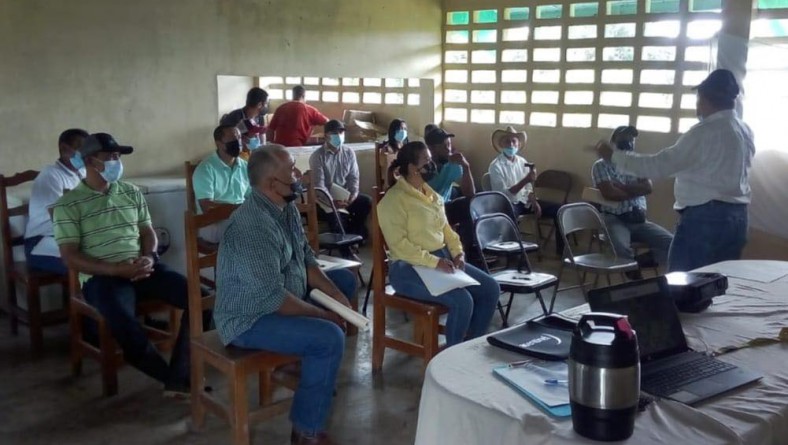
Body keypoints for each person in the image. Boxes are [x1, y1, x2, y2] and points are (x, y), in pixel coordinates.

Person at [214, 144, 356, 445]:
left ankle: (306, 364)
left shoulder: (286, 206)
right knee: (329, 336)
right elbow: (273, 299)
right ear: (270, 184)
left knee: (345, 281)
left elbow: (307, 261)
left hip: (281, 296)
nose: (298, 175)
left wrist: (340, 302)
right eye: (291, 170)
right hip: (250, 318)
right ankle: (306, 431)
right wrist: (326, 315)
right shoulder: (252, 226)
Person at [52, 133, 192, 397]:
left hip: (142, 268)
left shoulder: (130, 192)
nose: (117, 162)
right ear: (91, 161)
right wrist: (117, 270)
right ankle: (171, 379)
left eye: (119, 157)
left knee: (201, 300)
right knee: (124, 324)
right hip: (102, 276)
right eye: (111, 157)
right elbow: (69, 257)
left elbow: (148, 232)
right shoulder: (68, 205)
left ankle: (179, 375)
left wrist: (149, 257)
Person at [595, 69, 755, 272]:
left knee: (684, 283)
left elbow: (658, 166)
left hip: (705, 218)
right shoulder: (744, 130)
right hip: (737, 218)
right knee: (719, 280)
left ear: (704, 99)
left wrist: (613, 156)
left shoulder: (703, 133)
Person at [377, 141, 499, 347]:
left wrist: (458, 253)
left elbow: (447, 231)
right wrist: (435, 262)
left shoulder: (432, 195)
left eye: (430, 160)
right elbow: (399, 246)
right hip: (408, 268)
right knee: (463, 301)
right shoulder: (394, 200)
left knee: (490, 289)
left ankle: (468, 347)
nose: (431, 164)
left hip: (441, 260)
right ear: (411, 168)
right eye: (426, 161)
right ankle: (451, 358)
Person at [591, 125, 674, 278]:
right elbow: (610, 194)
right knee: (621, 250)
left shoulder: (635, 163)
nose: (629, 142)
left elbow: (648, 188)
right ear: (614, 141)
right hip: (615, 219)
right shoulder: (600, 165)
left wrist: (621, 187)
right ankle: (636, 280)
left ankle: (634, 264)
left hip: (638, 220)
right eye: (624, 139)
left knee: (672, 244)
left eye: (632, 139)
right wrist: (635, 190)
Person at [487, 126, 564, 256]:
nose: (511, 144)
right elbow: (504, 194)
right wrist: (526, 179)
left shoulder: (522, 162)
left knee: (561, 210)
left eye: (514, 141)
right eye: (507, 141)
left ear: (518, 144)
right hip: (509, 203)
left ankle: (561, 253)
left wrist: (534, 202)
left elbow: (528, 188)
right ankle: (514, 254)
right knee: (510, 216)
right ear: (501, 144)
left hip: (525, 202)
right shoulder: (496, 166)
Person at [24, 128, 88, 274]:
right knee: (87, 263)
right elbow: (60, 219)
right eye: (80, 148)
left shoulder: (82, 173)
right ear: (64, 148)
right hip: (41, 242)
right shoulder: (50, 175)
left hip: (71, 239)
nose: (85, 154)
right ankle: (82, 297)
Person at [309, 120, 371, 245]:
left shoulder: (349, 153)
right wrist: (332, 202)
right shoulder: (318, 156)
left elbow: (354, 178)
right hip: (324, 200)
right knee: (337, 217)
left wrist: (352, 197)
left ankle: (354, 235)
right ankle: (346, 251)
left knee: (366, 202)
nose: (339, 136)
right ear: (326, 135)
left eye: (341, 132)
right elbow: (319, 187)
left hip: (345, 196)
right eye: (335, 133)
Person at [191, 125, 249, 243]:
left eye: (239, 138)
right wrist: (239, 210)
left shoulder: (245, 166)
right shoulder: (206, 168)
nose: (238, 143)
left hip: (241, 218)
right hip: (213, 221)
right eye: (233, 139)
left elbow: (253, 196)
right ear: (219, 144)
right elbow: (207, 207)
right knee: (253, 233)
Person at [424, 126, 475, 202]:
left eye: (449, 144)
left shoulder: (452, 164)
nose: (448, 149)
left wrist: (466, 167)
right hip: (425, 207)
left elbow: (470, 194)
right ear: (431, 149)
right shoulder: (422, 167)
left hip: (445, 207)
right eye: (444, 146)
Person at [220, 87, 269, 155]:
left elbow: (262, 140)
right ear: (259, 104)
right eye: (266, 103)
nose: (266, 106)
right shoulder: (234, 117)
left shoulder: (260, 117)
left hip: (255, 155)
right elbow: (224, 140)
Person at [380, 119, 408, 188]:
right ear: (393, 131)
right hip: (392, 183)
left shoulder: (407, 148)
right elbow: (384, 169)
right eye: (401, 129)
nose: (403, 131)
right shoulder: (386, 149)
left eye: (405, 129)